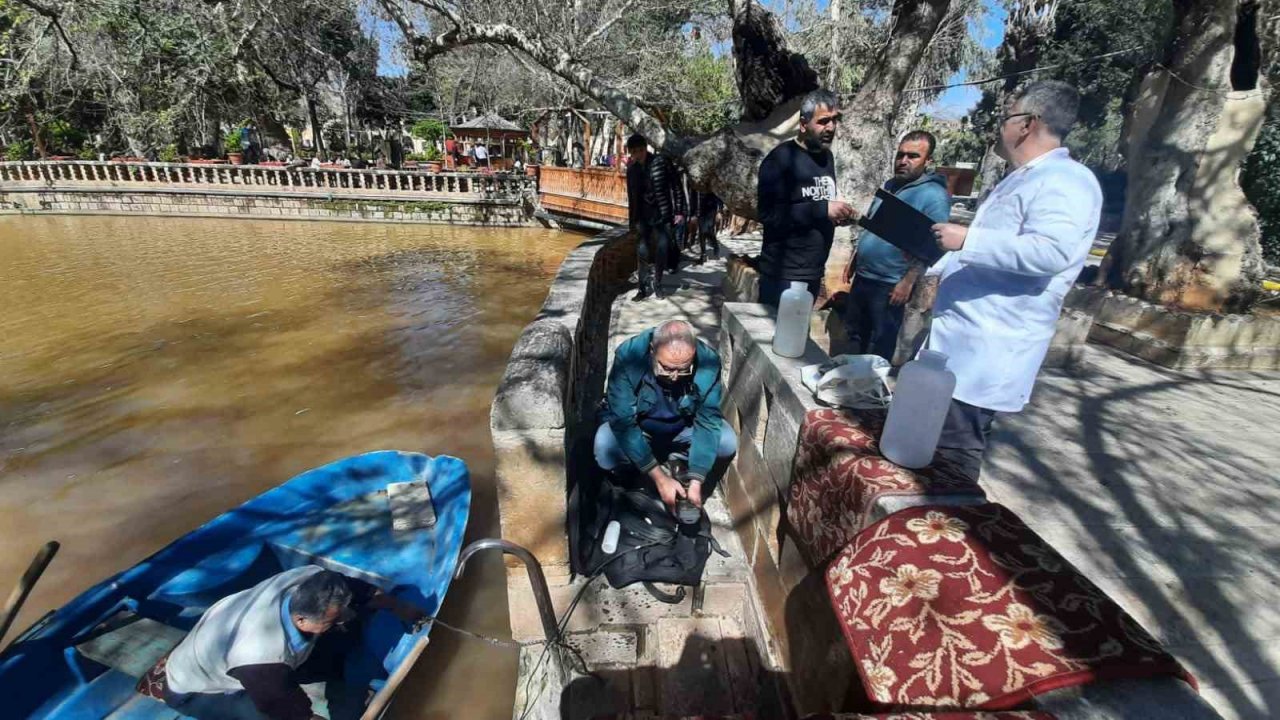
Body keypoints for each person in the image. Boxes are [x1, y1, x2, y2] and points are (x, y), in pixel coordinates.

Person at [927, 80, 1102, 481]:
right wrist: (936, 270)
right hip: (960, 344)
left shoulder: (1067, 181)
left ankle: (948, 534)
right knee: (929, 449)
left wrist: (968, 238)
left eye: (1006, 117)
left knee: (953, 459)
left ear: (1027, 124)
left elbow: (1051, 252)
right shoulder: (1023, 177)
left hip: (987, 351)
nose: (999, 127)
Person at [159, 566, 425, 720]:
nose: (341, 619)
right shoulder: (262, 658)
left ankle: (341, 676)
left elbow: (356, 591)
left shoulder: (312, 579)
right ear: (301, 619)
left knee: (346, 632)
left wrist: (400, 608)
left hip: (228, 648)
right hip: (195, 692)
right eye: (331, 620)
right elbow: (294, 713)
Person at [596, 320, 737, 514]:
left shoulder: (708, 362)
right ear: (652, 350)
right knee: (605, 446)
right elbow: (623, 421)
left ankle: (678, 461)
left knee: (726, 442)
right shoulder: (629, 357)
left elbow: (708, 420)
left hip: (683, 428)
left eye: (683, 369)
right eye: (667, 368)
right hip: (642, 427)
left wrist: (697, 480)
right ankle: (640, 471)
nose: (674, 377)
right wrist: (660, 479)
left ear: (694, 353)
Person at [841, 131, 952, 361]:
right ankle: (847, 385)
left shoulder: (934, 196)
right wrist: (854, 259)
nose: (903, 161)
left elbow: (932, 246)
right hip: (863, 277)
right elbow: (874, 224)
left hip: (890, 286)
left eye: (913, 156)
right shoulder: (891, 185)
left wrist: (908, 281)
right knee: (854, 336)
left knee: (879, 346)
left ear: (928, 161)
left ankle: (869, 393)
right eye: (900, 155)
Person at [756, 88, 857, 306]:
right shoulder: (780, 160)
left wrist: (835, 215)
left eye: (834, 120)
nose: (831, 127)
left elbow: (816, 205)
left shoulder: (826, 158)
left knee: (797, 337)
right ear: (803, 124)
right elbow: (767, 214)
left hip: (813, 272)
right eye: (823, 121)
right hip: (782, 274)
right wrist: (822, 209)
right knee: (778, 338)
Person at [626, 134, 687, 301]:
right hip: (642, 217)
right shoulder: (631, 170)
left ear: (646, 148)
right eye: (634, 152)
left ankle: (658, 283)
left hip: (662, 215)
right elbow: (631, 198)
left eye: (640, 150)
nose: (638, 154)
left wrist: (680, 212)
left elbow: (677, 187)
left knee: (662, 250)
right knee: (642, 253)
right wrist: (631, 222)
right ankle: (642, 288)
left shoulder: (661, 162)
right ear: (631, 153)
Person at [692, 189, 722, 264]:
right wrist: (692, 213)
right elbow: (692, 198)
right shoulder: (694, 183)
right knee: (702, 232)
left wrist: (719, 211)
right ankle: (703, 254)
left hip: (710, 209)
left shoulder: (709, 180)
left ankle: (715, 246)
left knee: (709, 230)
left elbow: (718, 195)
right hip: (699, 210)